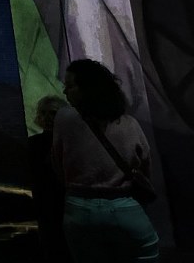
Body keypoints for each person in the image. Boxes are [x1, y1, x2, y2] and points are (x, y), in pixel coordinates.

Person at [51, 59, 159, 262]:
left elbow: (57, 164)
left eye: (70, 86)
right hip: (125, 206)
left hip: (79, 209)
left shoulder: (64, 119)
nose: (65, 91)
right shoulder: (130, 124)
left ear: (88, 89)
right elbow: (145, 167)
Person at [28, 94, 72, 262]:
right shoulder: (33, 144)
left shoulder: (35, 144)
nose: (47, 118)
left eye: (52, 113)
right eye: (43, 113)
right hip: (49, 204)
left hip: (64, 203)